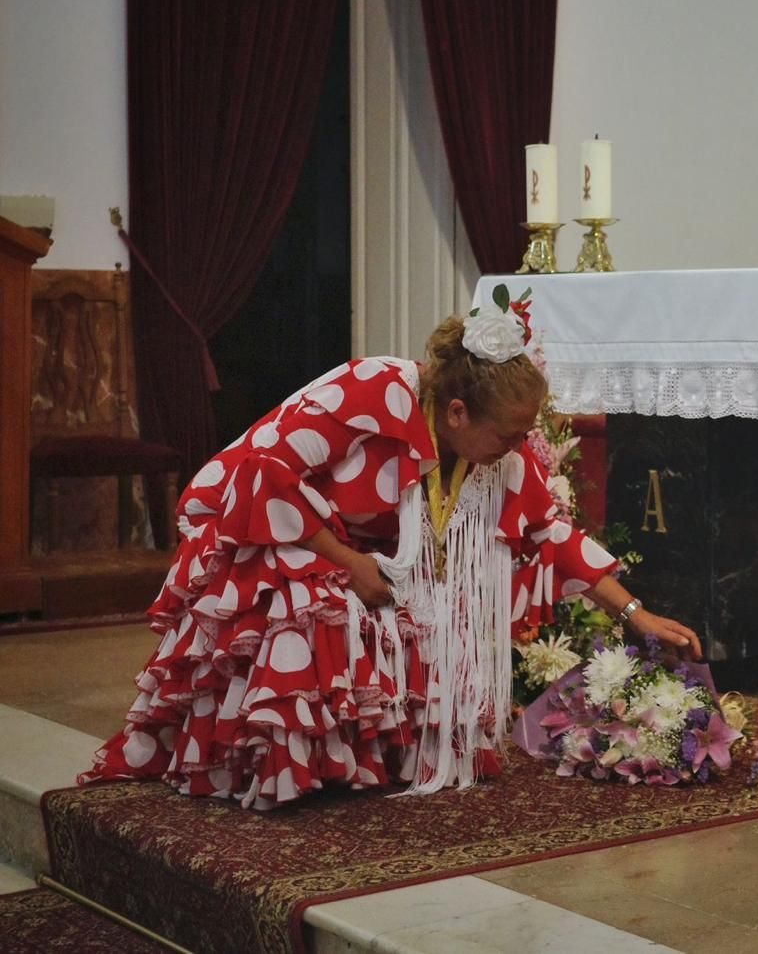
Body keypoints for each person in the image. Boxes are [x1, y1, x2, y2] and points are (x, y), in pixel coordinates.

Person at [82, 303, 701, 809]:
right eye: (510, 434)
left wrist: (637, 614)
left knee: (430, 616)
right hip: (259, 526)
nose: (519, 449)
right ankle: (276, 763)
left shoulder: (496, 456)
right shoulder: (371, 389)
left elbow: (551, 532)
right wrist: (348, 564)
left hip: (350, 545)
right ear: (456, 412)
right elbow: (264, 476)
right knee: (316, 607)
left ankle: (354, 763)